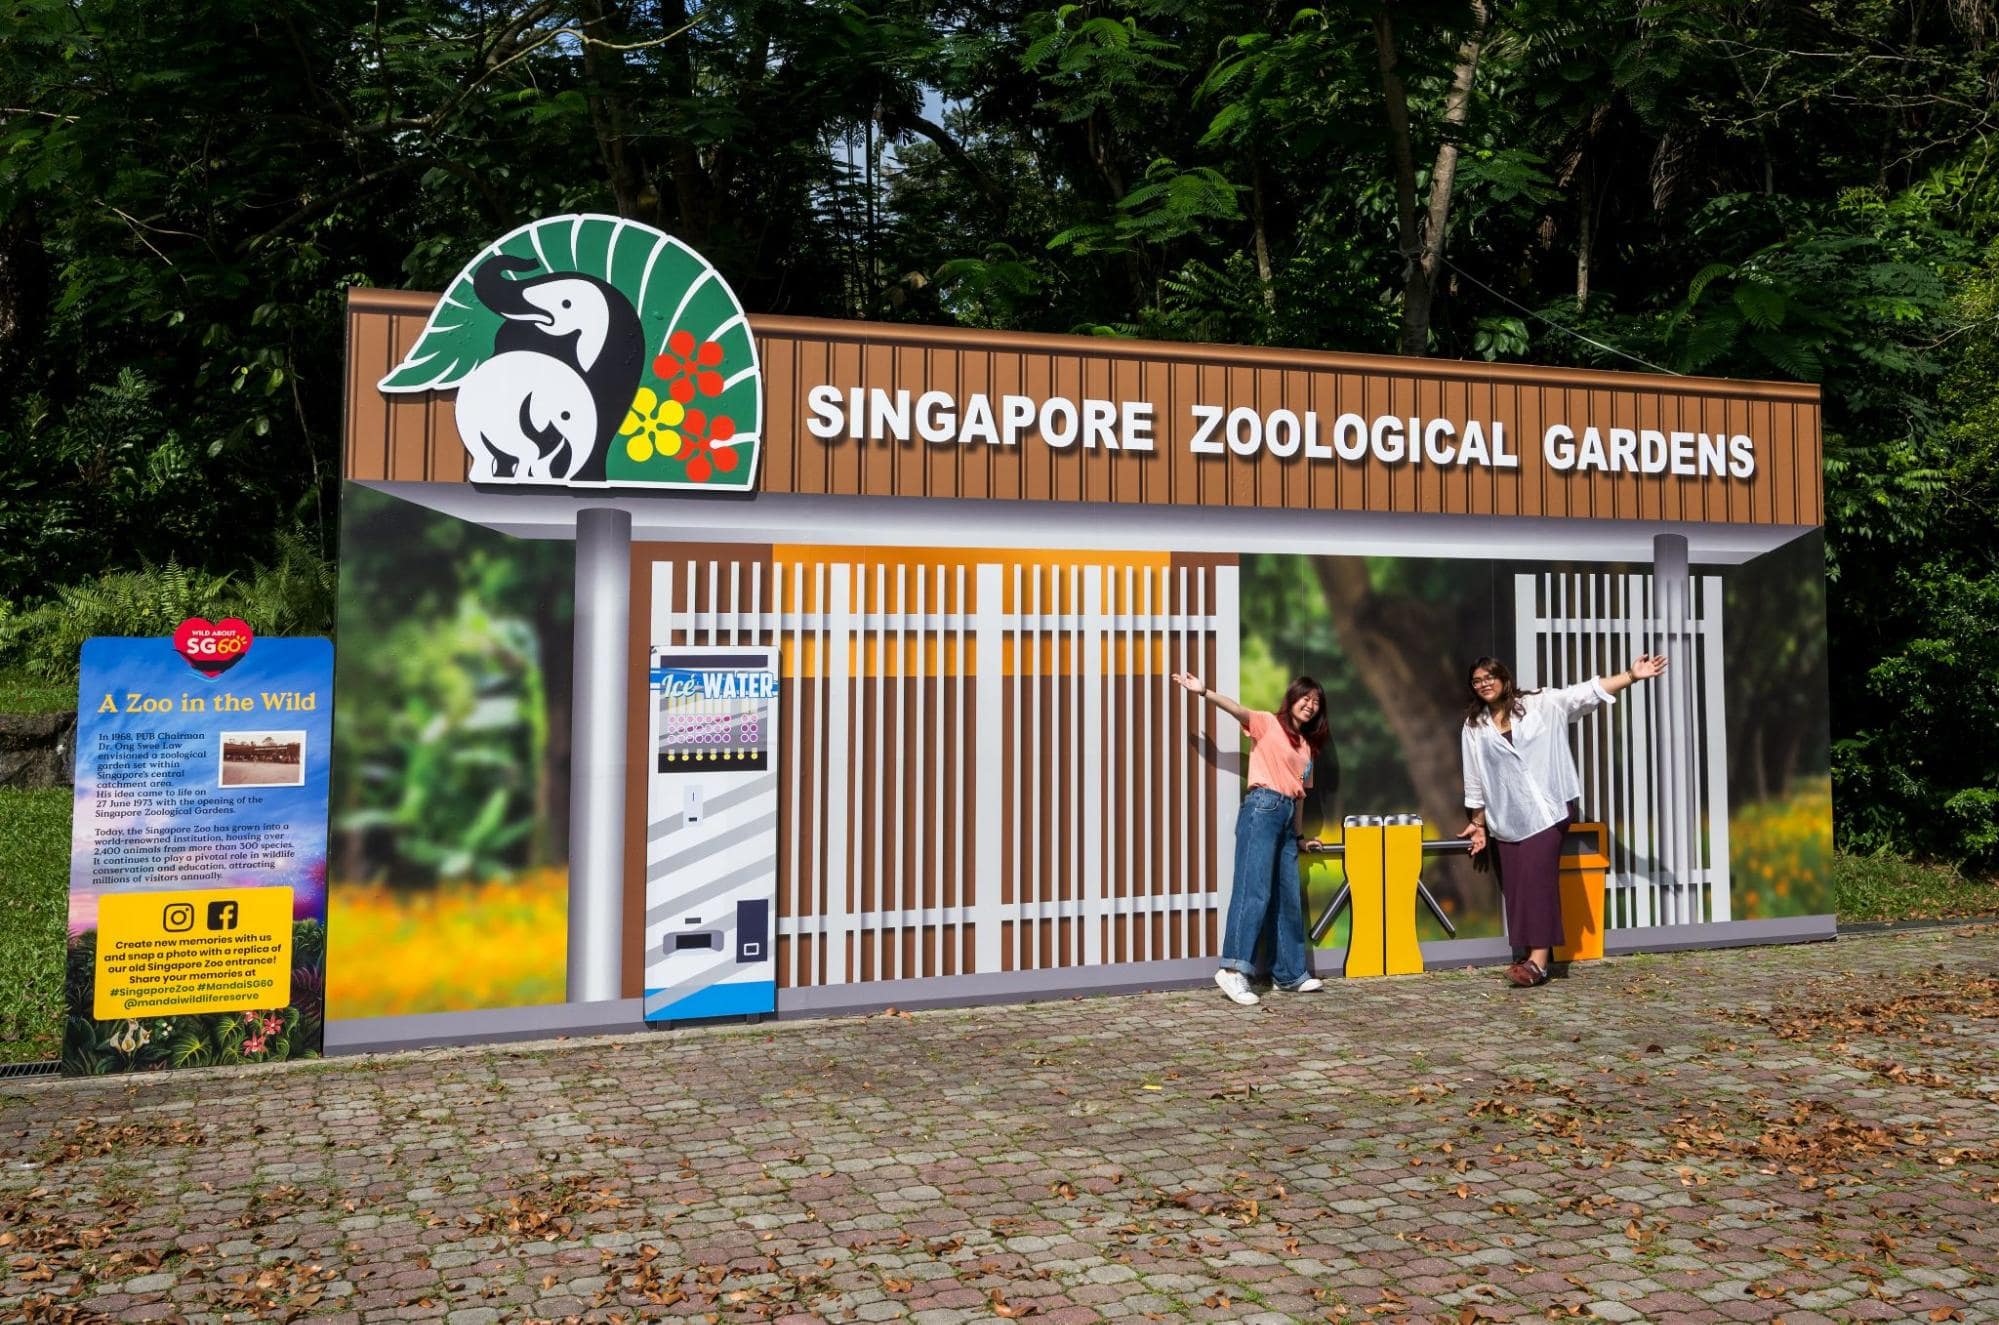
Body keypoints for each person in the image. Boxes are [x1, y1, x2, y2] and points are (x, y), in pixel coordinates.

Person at [1459, 653, 1667, 988]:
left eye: (1489, 678)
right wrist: (1478, 822)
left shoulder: (1541, 703)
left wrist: (1631, 675)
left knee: (1538, 881)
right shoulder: (1475, 726)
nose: (1484, 684)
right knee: (1517, 887)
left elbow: (1585, 691)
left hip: (1547, 810)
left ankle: (1539, 963)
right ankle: (1528, 955)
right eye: (1477, 681)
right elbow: (1474, 777)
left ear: (1504, 679)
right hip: (1507, 818)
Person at [1170, 671, 1330, 1006]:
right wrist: (1204, 691)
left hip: (1287, 819)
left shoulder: (1307, 749)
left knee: (1288, 898)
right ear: (1293, 698)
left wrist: (1299, 836)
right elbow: (1236, 709)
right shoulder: (1268, 723)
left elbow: (1301, 796)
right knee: (1254, 889)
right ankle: (1232, 969)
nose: (1310, 706)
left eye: (1316, 702)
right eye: (1306, 698)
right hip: (1263, 808)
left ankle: (1289, 974)